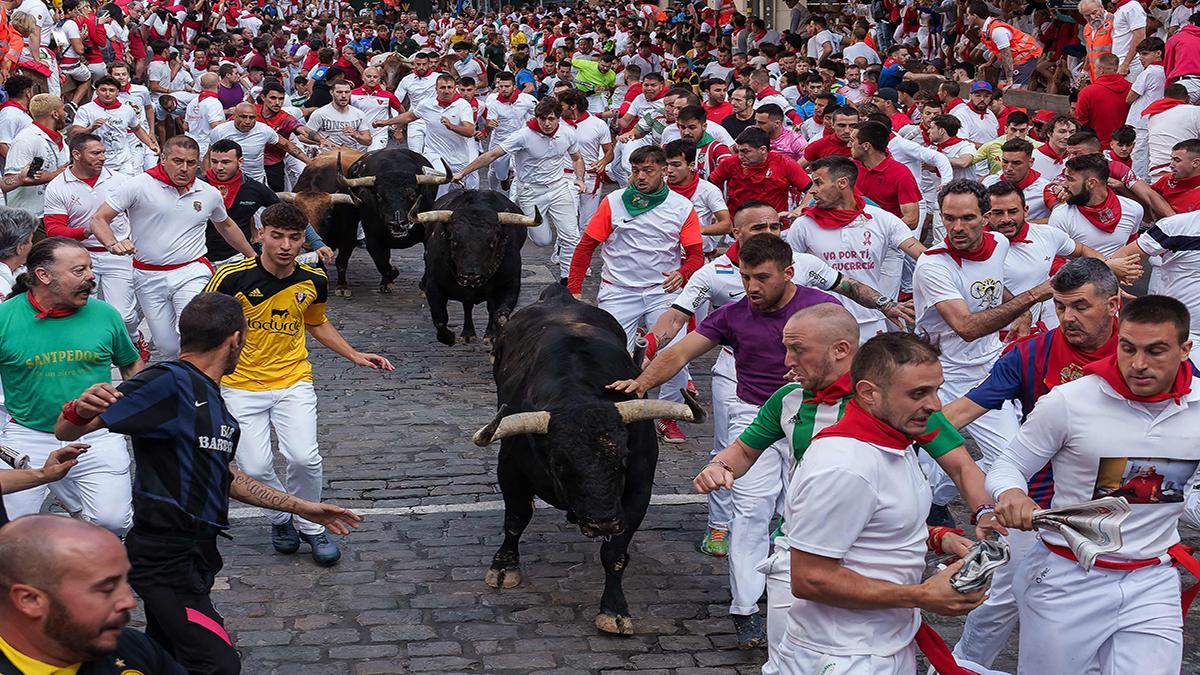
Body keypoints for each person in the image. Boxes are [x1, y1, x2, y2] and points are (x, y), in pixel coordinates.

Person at [54, 292, 362, 675]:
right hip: (163, 559)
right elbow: (68, 430)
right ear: (236, 339)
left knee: (164, 657)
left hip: (197, 555)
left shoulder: (212, 398)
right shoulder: (167, 383)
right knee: (218, 665)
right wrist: (78, 407)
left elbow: (225, 476)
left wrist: (303, 507)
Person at [694, 305, 992, 675]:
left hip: (880, 630)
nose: (785, 359)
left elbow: (955, 469)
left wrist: (946, 532)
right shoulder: (837, 443)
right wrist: (719, 466)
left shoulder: (899, 411)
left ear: (840, 350)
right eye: (923, 394)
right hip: (819, 592)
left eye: (797, 349)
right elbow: (743, 450)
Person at [608, 233, 841, 647]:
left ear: (789, 274)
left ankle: (802, 593)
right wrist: (641, 383)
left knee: (807, 512)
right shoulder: (733, 314)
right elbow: (680, 353)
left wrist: (820, 372)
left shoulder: (822, 310)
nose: (752, 287)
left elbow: (852, 357)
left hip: (815, 417)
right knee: (750, 512)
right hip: (754, 421)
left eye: (762, 278)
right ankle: (746, 607)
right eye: (746, 277)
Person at [988, 295, 1199, 675]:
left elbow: (1187, 493)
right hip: (1069, 579)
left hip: (1152, 581)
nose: (1138, 364)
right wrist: (1012, 493)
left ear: (1186, 349)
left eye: (1156, 351)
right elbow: (1009, 464)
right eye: (1128, 348)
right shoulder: (1069, 402)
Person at [938, 258, 1120, 668]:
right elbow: (961, 413)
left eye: (1080, 306)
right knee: (1000, 600)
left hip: (1118, 508)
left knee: (1110, 604)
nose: (1068, 317)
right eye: (1060, 307)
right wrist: (892, 435)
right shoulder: (1030, 354)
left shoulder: (1143, 352)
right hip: (1035, 508)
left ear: (1113, 305)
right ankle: (956, 666)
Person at [769, 331, 987, 674]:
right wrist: (923, 596)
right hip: (843, 657)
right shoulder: (845, 466)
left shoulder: (893, 441)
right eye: (918, 394)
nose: (936, 405)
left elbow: (871, 522)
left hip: (882, 643)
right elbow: (810, 578)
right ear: (869, 394)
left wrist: (934, 537)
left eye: (935, 389)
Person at [205, 203, 388, 565]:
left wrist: (353, 354)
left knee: (304, 458)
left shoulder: (314, 279)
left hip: (293, 380)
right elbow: (205, 326)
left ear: (304, 239)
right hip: (240, 385)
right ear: (260, 235)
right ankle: (279, 517)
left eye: (294, 237)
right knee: (255, 468)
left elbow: (316, 322)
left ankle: (311, 524)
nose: (285, 245)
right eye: (277, 236)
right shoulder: (230, 277)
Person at [913, 180, 1048, 516]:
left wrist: (1021, 311)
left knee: (1010, 458)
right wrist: (1032, 297)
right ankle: (925, 507)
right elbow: (966, 327)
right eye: (949, 218)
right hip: (942, 376)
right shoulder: (934, 264)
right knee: (933, 448)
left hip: (988, 371)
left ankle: (935, 499)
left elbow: (991, 288)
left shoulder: (999, 243)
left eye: (968, 218)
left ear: (986, 217)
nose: (957, 228)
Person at [0, 237, 142, 532]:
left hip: (95, 433)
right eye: (79, 271)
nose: (91, 277)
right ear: (43, 276)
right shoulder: (5, 318)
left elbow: (130, 363)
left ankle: (75, 504)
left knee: (113, 522)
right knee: (10, 530)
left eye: (90, 268)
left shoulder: (106, 314)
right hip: (28, 435)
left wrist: (137, 408)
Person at [568, 145, 702, 442]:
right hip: (618, 291)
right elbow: (586, 246)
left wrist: (683, 272)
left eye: (648, 171)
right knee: (612, 356)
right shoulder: (614, 202)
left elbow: (695, 254)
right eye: (635, 171)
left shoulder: (682, 207)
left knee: (675, 354)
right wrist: (573, 289)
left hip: (661, 293)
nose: (640, 177)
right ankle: (616, 412)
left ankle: (668, 414)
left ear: (664, 171)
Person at [89, 135, 256, 359]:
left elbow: (225, 225)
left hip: (192, 270)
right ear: (163, 158)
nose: (184, 168)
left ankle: (206, 383)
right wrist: (113, 243)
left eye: (190, 163)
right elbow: (99, 219)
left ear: (198, 163)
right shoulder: (138, 185)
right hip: (148, 276)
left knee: (194, 330)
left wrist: (252, 256)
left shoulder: (209, 193)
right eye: (177, 161)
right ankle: (185, 375)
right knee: (167, 347)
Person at [0, 515, 187, 673]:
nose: (129, 602)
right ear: (30, 600)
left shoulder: (133, 649)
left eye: (125, 581)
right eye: (106, 588)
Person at [785, 156, 924, 339]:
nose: (813, 191)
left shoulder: (881, 219)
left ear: (842, 183)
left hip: (872, 321)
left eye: (818, 183)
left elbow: (923, 256)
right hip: (824, 325)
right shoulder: (803, 225)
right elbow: (790, 274)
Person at [454, 96, 586, 282]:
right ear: (537, 117)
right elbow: (492, 155)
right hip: (531, 192)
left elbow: (577, 158)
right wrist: (463, 172)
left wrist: (579, 178)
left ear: (558, 118)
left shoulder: (568, 133)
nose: (547, 124)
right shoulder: (523, 135)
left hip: (559, 188)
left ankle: (568, 280)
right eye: (543, 119)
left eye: (551, 119)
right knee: (542, 240)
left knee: (571, 237)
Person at [42, 133, 143, 352]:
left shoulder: (120, 180)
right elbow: (53, 229)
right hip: (80, 256)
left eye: (104, 152)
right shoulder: (58, 186)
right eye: (96, 153)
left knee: (124, 314)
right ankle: (92, 350)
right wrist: (87, 231)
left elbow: (136, 215)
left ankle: (135, 340)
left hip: (118, 253)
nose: (103, 158)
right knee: (81, 309)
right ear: (76, 155)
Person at [1048, 153, 1143, 257]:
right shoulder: (1061, 215)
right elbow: (1054, 260)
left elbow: (1132, 249)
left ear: (1091, 183)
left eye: (1070, 179)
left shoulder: (1133, 209)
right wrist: (1108, 267)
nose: (1064, 184)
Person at [396, 74, 477, 191]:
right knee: (442, 183)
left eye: (449, 87)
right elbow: (410, 116)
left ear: (455, 89)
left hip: (459, 158)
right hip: (434, 154)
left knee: (465, 192)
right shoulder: (426, 104)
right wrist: (386, 122)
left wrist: (452, 126)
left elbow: (470, 132)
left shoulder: (463, 105)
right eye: (442, 88)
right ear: (436, 89)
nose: (446, 91)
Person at [709, 127, 812, 216]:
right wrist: (718, 210)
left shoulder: (785, 163)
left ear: (762, 150)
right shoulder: (730, 163)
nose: (740, 156)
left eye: (745, 152)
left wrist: (801, 208)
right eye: (738, 151)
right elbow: (708, 186)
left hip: (774, 227)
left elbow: (812, 189)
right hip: (737, 227)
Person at [207, 102, 310, 184]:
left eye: (251, 117)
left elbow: (287, 145)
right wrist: (209, 179)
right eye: (243, 117)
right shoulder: (220, 131)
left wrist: (309, 163)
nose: (247, 121)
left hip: (256, 181)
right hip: (228, 182)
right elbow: (208, 156)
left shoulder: (264, 130)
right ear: (234, 116)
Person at [1, 93, 68, 218]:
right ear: (55, 114)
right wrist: (54, 175)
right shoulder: (26, 139)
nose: (65, 114)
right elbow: (7, 181)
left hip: (54, 212)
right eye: (63, 109)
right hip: (29, 218)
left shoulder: (59, 139)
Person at [481, 71, 536, 192]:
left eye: (507, 86)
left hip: (520, 141)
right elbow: (489, 125)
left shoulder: (527, 100)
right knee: (495, 170)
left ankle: (513, 200)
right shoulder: (493, 102)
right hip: (500, 141)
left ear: (514, 86)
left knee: (518, 170)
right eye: (501, 86)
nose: (503, 89)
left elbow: (538, 113)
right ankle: (492, 189)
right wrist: (489, 125)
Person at [981, 138, 1051, 221]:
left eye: (1016, 163)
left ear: (1030, 162)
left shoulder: (1046, 189)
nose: (1009, 168)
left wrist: (1026, 226)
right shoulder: (988, 183)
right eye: (1005, 162)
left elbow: (1060, 219)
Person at [1076, 53, 1133, 147]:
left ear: (1101, 70)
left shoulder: (1088, 92)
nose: (1094, 71)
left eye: (1095, 68)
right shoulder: (1131, 88)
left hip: (1097, 146)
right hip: (1125, 146)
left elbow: (1080, 120)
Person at [306, 79, 373, 152]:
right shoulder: (320, 113)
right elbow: (302, 135)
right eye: (339, 92)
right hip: (327, 156)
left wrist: (356, 135)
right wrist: (320, 141)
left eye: (347, 92)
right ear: (332, 92)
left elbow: (368, 141)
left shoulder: (359, 114)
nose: (344, 96)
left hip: (350, 156)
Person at [1149, 138, 1200, 213]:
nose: (1171, 165)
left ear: (1195, 163)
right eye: (1172, 159)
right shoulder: (1167, 179)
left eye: (1177, 160)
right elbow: (1147, 195)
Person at [184, 73, 226, 160]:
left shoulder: (192, 102)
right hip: (206, 148)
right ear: (218, 84)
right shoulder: (214, 102)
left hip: (190, 146)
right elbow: (215, 126)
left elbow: (185, 126)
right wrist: (231, 122)